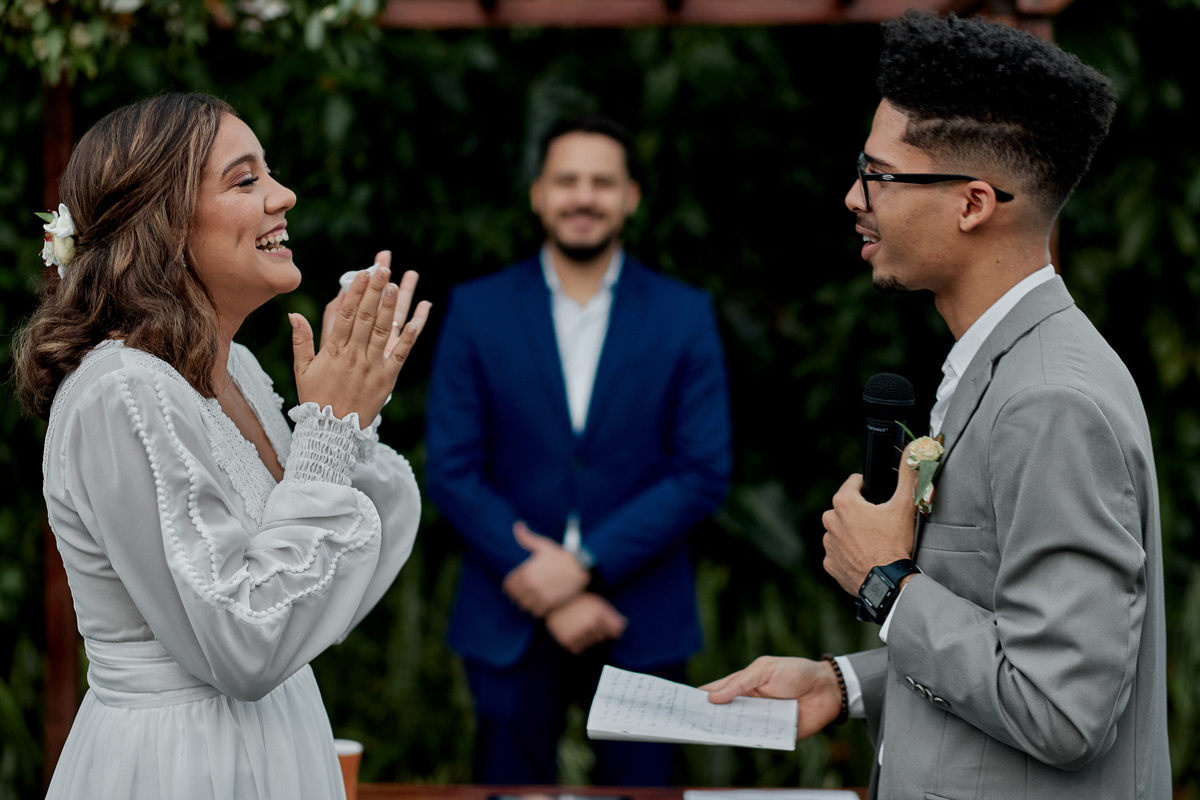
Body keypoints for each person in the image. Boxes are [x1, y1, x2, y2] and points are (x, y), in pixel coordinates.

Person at [702, 11, 1170, 799]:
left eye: (878, 176)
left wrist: (886, 585)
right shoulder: (1008, 363)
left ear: (974, 203)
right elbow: (1006, 645)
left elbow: (1062, 708)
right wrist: (846, 685)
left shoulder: (1051, 401)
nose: (854, 196)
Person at [13, 92, 431, 800]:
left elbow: (325, 597)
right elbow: (243, 644)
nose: (284, 195)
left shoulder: (232, 367)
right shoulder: (120, 393)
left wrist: (352, 412)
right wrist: (328, 431)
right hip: (182, 763)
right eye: (247, 180)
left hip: (281, 739)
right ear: (164, 224)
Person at [424, 114, 731, 785]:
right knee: (509, 793)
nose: (583, 196)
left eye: (602, 182)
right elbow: (450, 467)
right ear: (538, 193)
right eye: (567, 180)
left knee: (647, 794)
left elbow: (703, 470)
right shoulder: (477, 311)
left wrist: (585, 565)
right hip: (509, 607)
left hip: (640, 613)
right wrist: (549, 587)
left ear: (631, 197)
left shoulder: (685, 313)